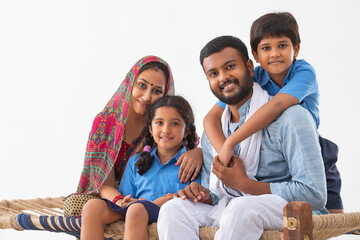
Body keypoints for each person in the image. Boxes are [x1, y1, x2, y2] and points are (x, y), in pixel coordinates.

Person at [157, 36, 327, 240]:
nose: (223, 77)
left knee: (242, 207)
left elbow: (314, 194)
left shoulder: (291, 118)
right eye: (213, 73)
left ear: (249, 67)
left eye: (230, 67)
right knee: (173, 210)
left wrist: (245, 184)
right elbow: (216, 194)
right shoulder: (215, 132)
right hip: (230, 207)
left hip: (285, 208)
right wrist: (200, 193)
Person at [202, 12, 342, 212]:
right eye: (266, 48)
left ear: (296, 49)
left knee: (332, 220)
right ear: (256, 56)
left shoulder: (304, 72)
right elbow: (210, 118)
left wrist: (231, 142)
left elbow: (276, 106)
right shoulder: (255, 75)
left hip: (315, 147)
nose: (275, 53)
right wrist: (224, 151)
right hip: (279, 148)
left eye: (282, 46)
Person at [68, 56, 203, 215]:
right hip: (109, 195)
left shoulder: (160, 126)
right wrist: (121, 201)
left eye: (156, 91)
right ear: (130, 83)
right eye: (141, 85)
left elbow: (184, 148)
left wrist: (200, 152)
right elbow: (103, 184)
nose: (146, 97)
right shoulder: (105, 123)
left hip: (149, 195)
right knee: (76, 206)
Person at [80, 95, 201, 240]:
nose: (166, 129)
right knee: (92, 207)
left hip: (167, 212)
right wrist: (125, 200)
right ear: (150, 129)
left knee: (136, 209)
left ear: (186, 130)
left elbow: (195, 202)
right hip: (135, 210)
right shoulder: (136, 162)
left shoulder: (192, 163)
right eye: (159, 123)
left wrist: (148, 205)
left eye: (174, 124)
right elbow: (127, 199)